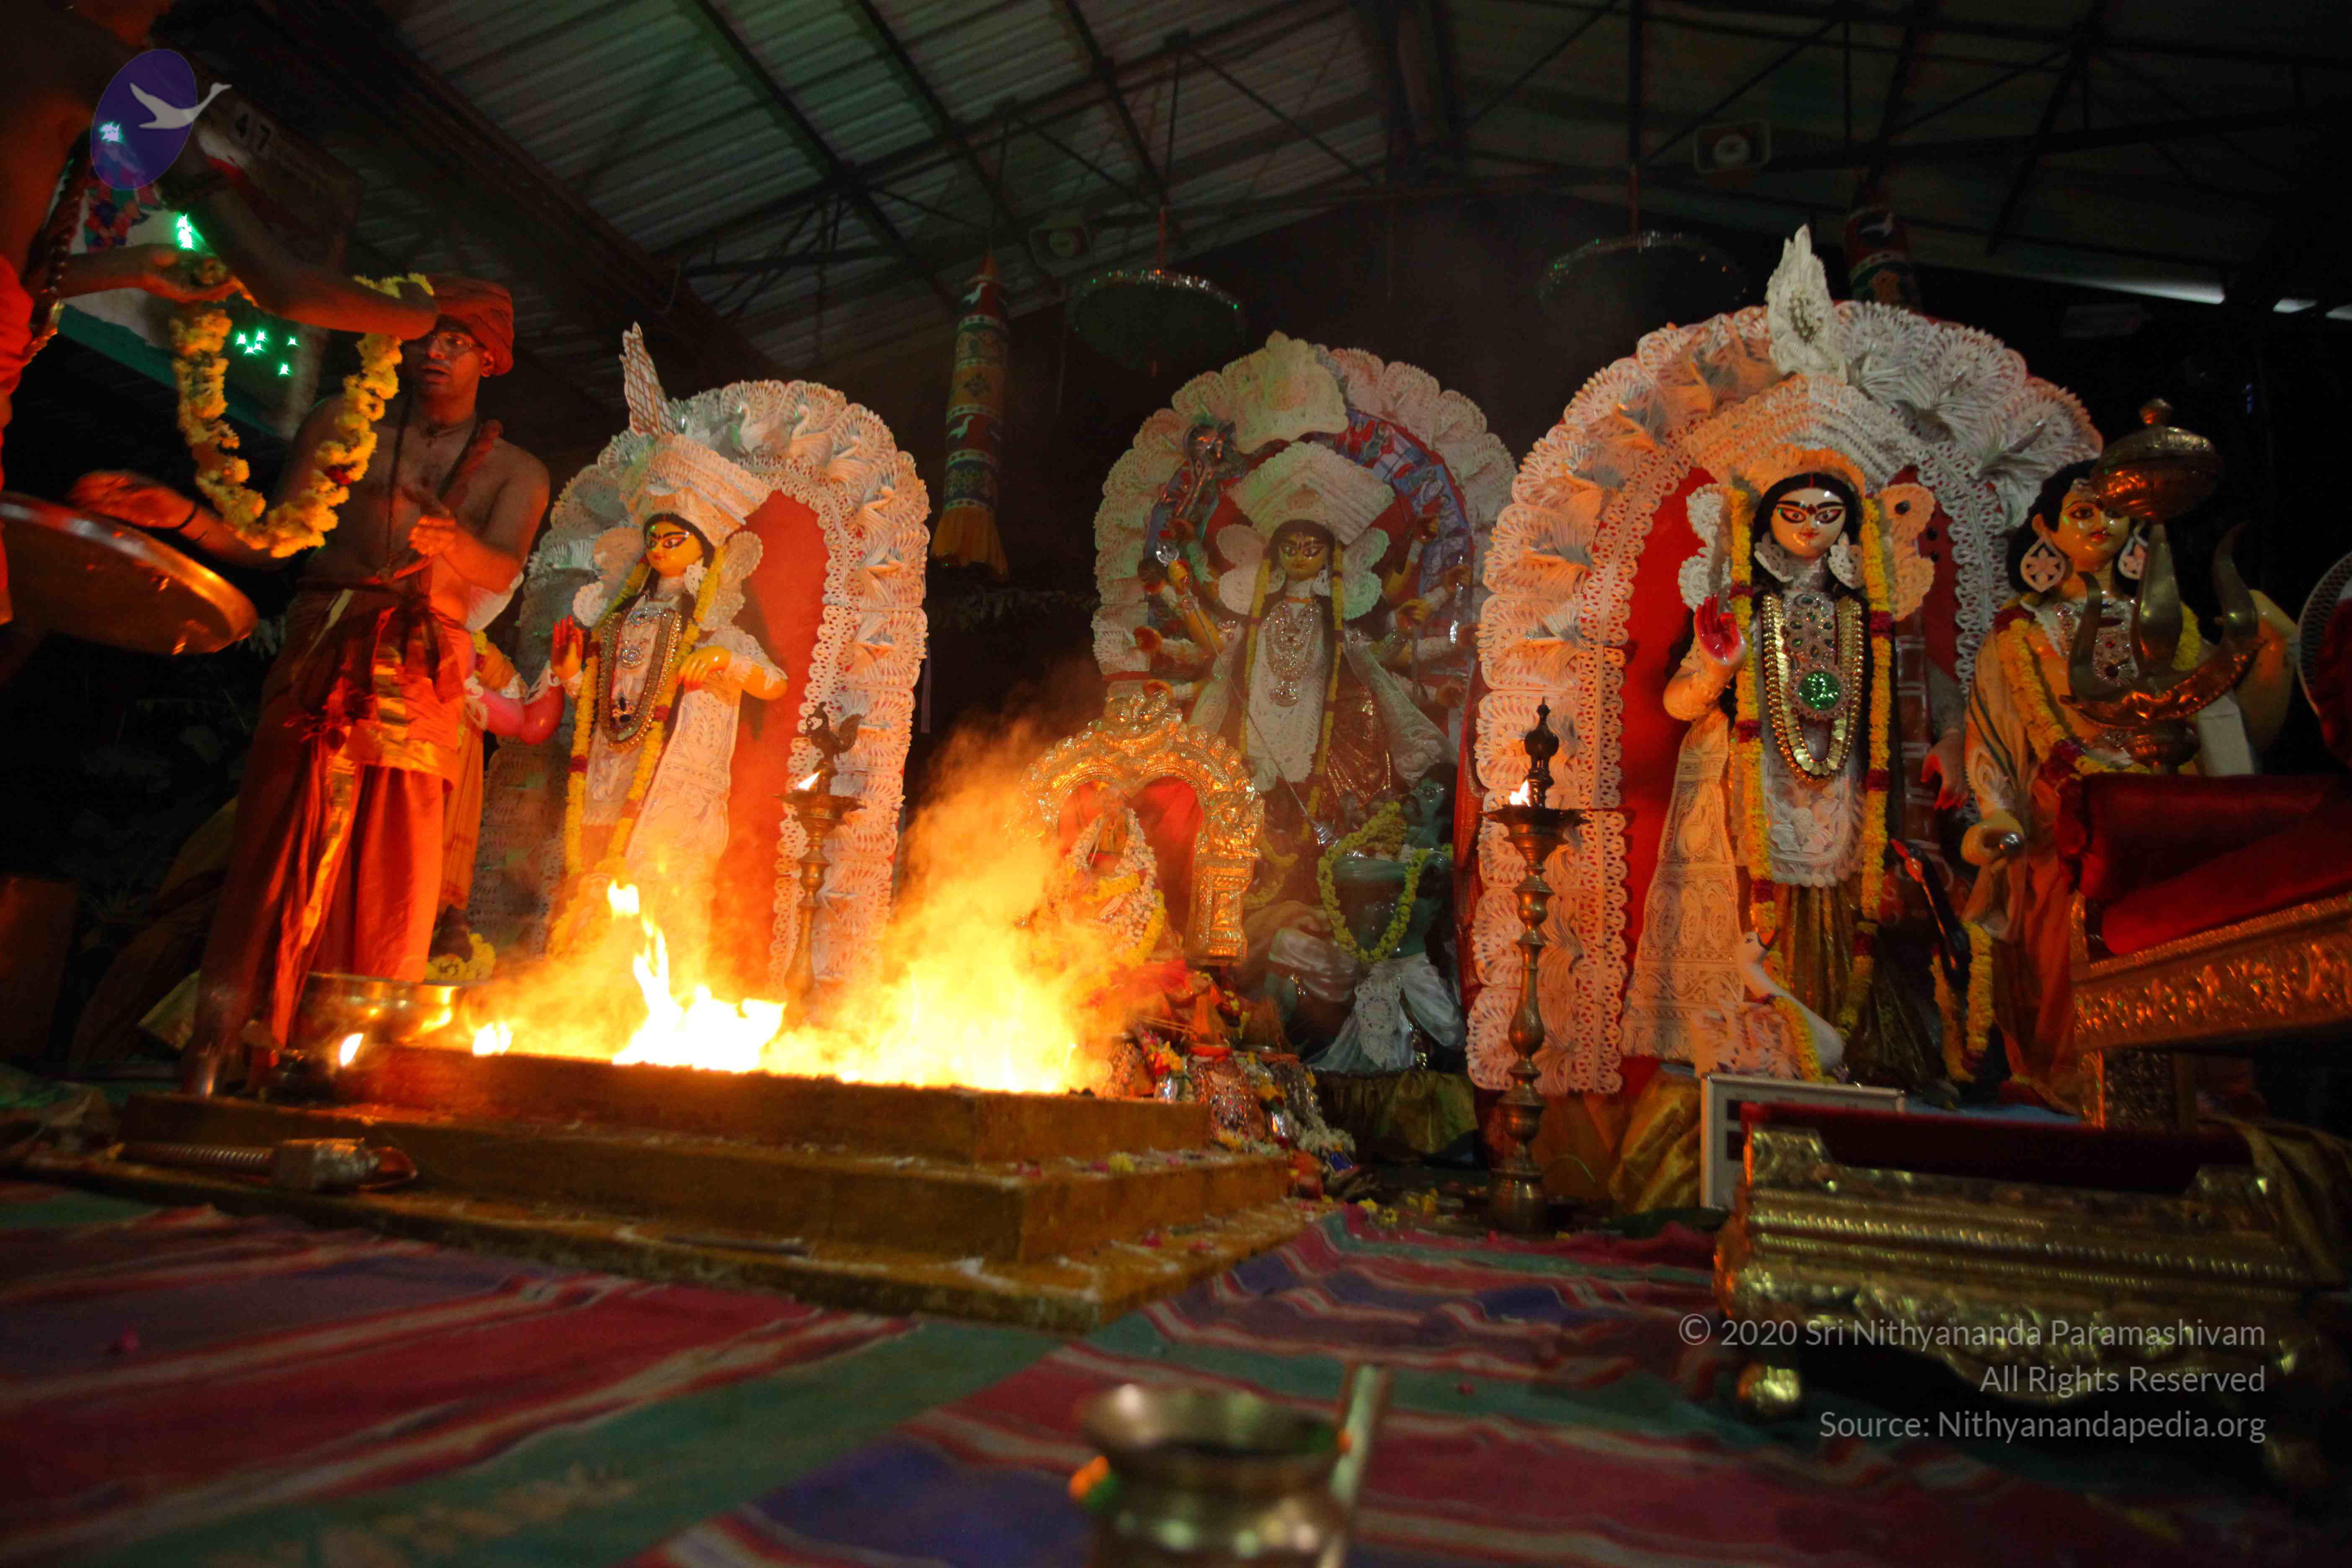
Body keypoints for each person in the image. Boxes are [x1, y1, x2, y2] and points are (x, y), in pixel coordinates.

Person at [77, 278, 547, 1090]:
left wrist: (451, 543)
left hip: (420, 669)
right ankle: (226, 1055)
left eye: (457, 341)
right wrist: (182, 516)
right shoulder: (343, 422)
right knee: (270, 852)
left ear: (489, 361)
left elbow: (501, 565)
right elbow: (275, 541)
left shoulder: (518, 470)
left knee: (394, 873)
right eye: (425, 335)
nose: (435, 351)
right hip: (322, 646)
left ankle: (353, 1066)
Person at [2, 0, 438, 617]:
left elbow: (26, 283)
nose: (154, 28)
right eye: (160, 8)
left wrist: (129, 268)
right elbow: (283, 286)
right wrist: (423, 310)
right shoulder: (96, 56)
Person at [1960, 462, 2293, 1110]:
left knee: (2178, 939)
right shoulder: (2020, 632)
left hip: (2165, 814)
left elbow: (2224, 725)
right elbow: (1992, 737)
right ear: (2046, 529)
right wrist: (1996, 812)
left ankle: (2186, 1089)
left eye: (2115, 513)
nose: (2101, 526)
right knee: (2064, 954)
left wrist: (2277, 649)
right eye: (2083, 513)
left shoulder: (2166, 622)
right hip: (2065, 818)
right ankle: (2077, 1082)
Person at [542, 438, 787, 972]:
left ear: (703, 547)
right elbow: (606, 706)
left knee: (668, 892)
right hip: (612, 773)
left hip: (676, 782)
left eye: (674, 539)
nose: (659, 549)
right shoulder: (621, 618)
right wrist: (572, 676)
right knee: (599, 888)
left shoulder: (717, 623)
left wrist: (724, 659)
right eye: (653, 539)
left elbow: (774, 684)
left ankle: (669, 1001)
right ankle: (588, 996)